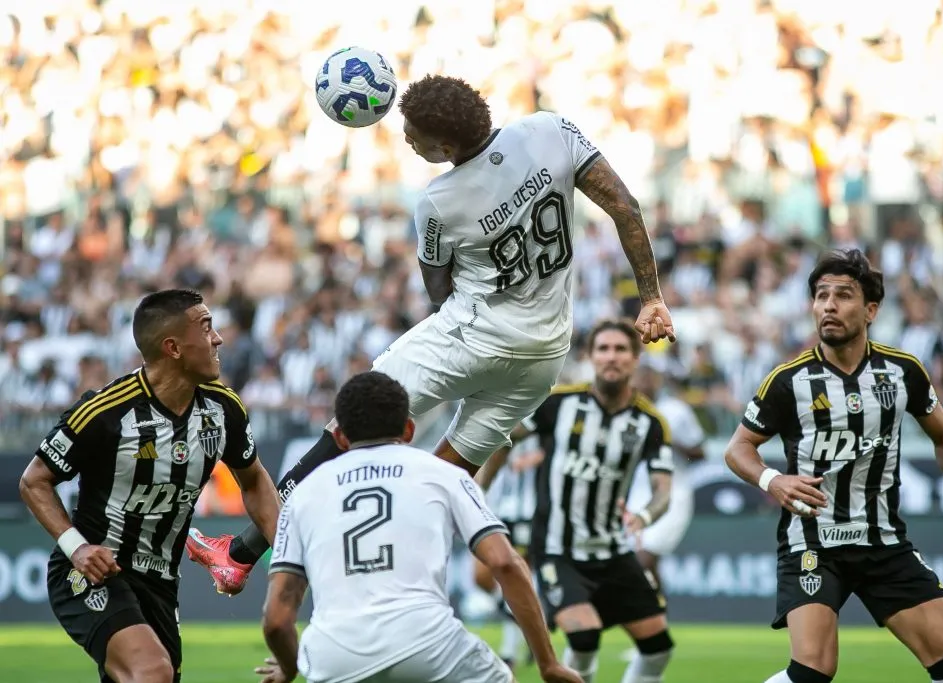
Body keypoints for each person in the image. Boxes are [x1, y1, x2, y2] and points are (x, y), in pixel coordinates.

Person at [187, 73, 675, 595]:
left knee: (352, 422)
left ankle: (245, 555)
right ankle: (384, 582)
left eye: (412, 134)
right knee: (442, 476)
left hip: (472, 334)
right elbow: (625, 205)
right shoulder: (550, 130)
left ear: (443, 146)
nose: (406, 140)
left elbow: (438, 289)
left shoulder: (439, 201)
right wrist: (650, 297)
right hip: (545, 355)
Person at [723, 249, 943, 683]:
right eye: (821, 295)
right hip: (813, 542)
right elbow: (738, 448)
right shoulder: (788, 380)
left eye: (843, 295)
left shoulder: (902, 372)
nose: (828, 306)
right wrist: (773, 480)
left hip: (882, 540)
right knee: (813, 672)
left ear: (870, 310)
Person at [18, 289, 281, 683]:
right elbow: (34, 480)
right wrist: (77, 548)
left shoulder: (223, 408)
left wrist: (289, 557)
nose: (218, 338)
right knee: (150, 671)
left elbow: (255, 481)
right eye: (206, 327)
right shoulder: (105, 411)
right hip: (95, 572)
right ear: (172, 347)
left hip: (161, 583)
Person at [255, 371, 583, 683]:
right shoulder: (442, 475)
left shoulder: (305, 494)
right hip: (426, 640)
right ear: (409, 430)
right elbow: (505, 564)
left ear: (339, 437)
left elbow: (276, 619)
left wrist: (288, 667)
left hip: (332, 653)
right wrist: (548, 662)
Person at [520, 319, 677, 683]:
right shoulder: (558, 404)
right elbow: (501, 437)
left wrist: (644, 516)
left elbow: (663, 491)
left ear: (636, 359)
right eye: (603, 349)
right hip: (559, 550)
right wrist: (478, 492)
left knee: (659, 649)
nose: (611, 357)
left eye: (621, 349)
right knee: (584, 636)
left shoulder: (650, 423)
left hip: (612, 550)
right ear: (590, 357)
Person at [625, 365, 705, 585]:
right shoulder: (626, 410)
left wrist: (667, 439)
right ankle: (657, 615)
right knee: (642, 564)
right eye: (639, 378)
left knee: (642, 560)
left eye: (649, 378)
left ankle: (650, 613)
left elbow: (699, 452)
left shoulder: (675, 411)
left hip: (671, 493)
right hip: (637, 494)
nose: (644, 383)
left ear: (658, 381)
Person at [472, 437, 540, 674]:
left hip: (526, 509)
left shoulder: (540, 411)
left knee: (516, 575)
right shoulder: (491, 413)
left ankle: (509, 652)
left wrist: (536, 457)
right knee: (481, 577)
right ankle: (532, 620)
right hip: (494, 506)